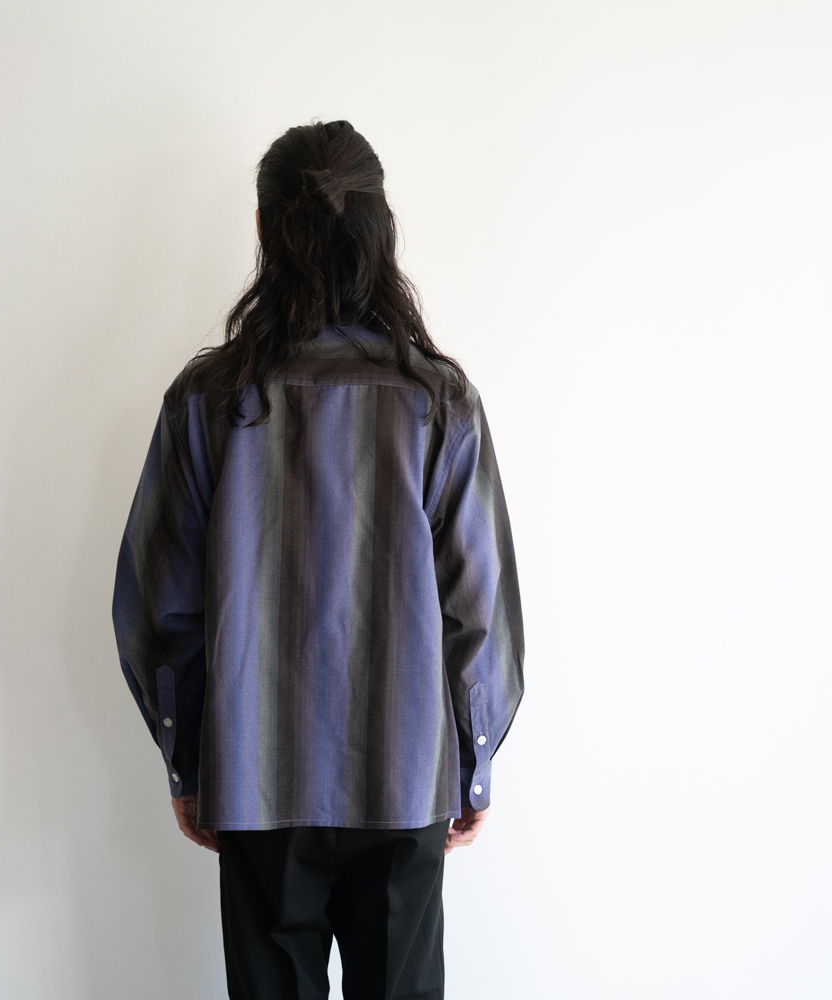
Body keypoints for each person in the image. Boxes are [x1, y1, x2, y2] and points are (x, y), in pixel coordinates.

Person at [111, 119, 524, 1000]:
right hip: (404, 778)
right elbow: (478, 608)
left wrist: (189, 757)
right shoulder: (439, 403)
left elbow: (159, 605)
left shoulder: (207, 402)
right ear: (382, 230)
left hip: (255, 778)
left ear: (264, 229)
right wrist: (475, 758)